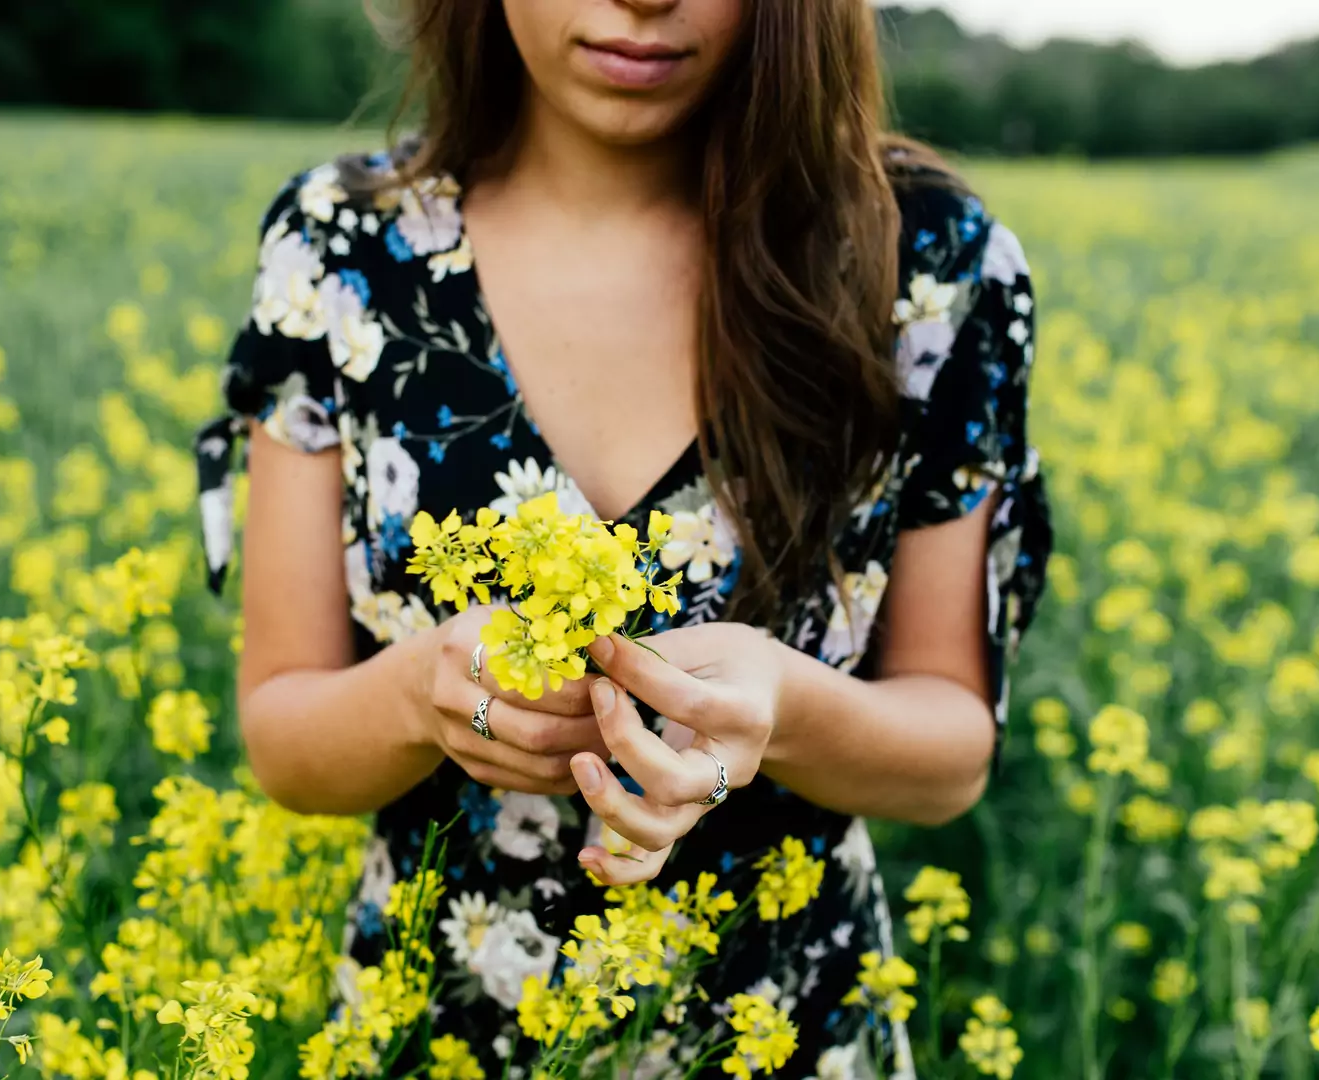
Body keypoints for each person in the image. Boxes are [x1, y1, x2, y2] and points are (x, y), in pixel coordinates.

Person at [191, 0, 1051, 1073]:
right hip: (434, 1027)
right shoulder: (339, 248)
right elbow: (284, 739)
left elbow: (949, 757)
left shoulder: (925, 259)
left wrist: (780, 709)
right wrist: (421, 692)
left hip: (785, 1035)